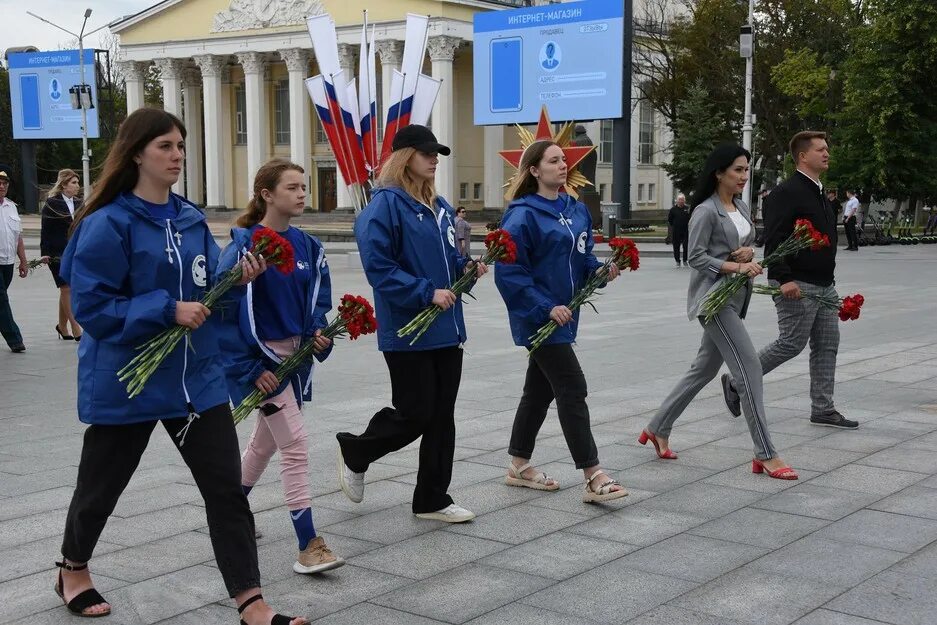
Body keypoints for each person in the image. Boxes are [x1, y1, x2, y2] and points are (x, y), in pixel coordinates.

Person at [55, 108, 307, 624]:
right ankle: (73, 568)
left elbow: (205, 296)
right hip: (129, 381)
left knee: (225, 490)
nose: (177, 155)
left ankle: (252, 603)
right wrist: (166, 310)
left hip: (196, 381)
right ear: (137, 153)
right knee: (101, 487)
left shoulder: (191, 219)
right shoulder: (108, 223)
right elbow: (93, 308)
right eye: (166, 146)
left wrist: (232, 282)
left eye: (181, 146)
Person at [336, 125, 488, 523]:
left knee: (442, 416)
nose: (434, 159)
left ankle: (432, 499)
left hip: (446, 327)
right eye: (426, 153)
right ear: (404, 157)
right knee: (416, 412)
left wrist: (467, 269)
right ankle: (358, 450)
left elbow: (448, 260)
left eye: (436, 153)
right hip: (409, 328)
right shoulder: (383, 207)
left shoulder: (437, 206)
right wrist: (426, 293)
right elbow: (380, 269)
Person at [217, 159, 344, 575]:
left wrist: (318, 337)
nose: (302, 193)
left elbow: (316, 305)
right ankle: (309, 544)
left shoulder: (309, 247)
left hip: (295, 361)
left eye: (304, 186)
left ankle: (229, 512)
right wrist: (250, 366)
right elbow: (222, 312)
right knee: (296, 445)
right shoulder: (245, 246)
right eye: (292, 187)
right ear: (266, 194)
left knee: (266, 443)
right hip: (265, 363)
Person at [642, 144, 797, 480]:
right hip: (714, 301)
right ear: (719, 173)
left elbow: (739, 242)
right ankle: (765, 453)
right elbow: (696, 257)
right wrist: (735, 267)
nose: (743, 176)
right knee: (750, 368)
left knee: (703, 370)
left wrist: (746, 252)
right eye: (737, 170)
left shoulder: (739, 205)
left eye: (745, 170)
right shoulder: (704, 211)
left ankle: (658, 427)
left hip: (735, 297)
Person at [494, 140, 629, 503]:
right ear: (534, 170)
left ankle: (518, 464)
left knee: (538, 392)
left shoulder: (576, 209)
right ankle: (593, 475)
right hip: (539, 318)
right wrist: (544, 306)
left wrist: (600, 271)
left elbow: (582, 259)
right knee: (572, 386)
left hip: (566, 315)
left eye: (563, 160)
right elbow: (509, 273)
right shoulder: (521, 215)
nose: (562, 165)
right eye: (553, 161)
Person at [722, 131, 857, 429]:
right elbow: (776, 238)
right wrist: (783, 278)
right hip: (796, 282)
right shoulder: (787, 192)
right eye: (820, 149)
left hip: (824, 284)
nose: (827, 153)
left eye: (827, 148)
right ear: (802, 156)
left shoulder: (820, 192)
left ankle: (823, 408)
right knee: (791, 343)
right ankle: (735, 381)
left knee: (827, 343)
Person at [41, 168, 84, 340]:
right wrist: (44, 252)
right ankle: (76, 328)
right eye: (74, 183)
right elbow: (46, 230)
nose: (77, 186)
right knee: (67, 287)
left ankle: (62, 326)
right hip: (57, 253)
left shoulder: (80, 202)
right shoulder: (52, 203)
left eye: (77, 182)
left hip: (76, 252)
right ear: (64, 185)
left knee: (66, 289)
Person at [0, 165, 27, 353]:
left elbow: (18, 237)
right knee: (2, 300)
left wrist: (23, 260)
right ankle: (15, 339)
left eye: (4, 183)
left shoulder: (11, 207)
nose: (1, 186)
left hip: (8, 262)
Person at [668, 193, 691, 267]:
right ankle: (677, 261)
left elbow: (692, 218)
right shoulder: (673, 210)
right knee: (676, 246)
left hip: (686, 231)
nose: (681, 201)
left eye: (682, 200)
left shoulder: (688, 209)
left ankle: (685, 260)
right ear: (677, 201)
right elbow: (670, 220)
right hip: (676, 231)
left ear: (684, 201)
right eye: (680, 200)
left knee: (686, 246)